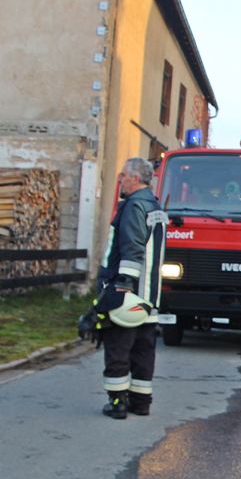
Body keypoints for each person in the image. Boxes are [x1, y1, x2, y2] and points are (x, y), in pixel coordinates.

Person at [98, 156, 168, 419]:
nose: (121, 180)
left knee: (118, 346)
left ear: (135, 178)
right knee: (143, 351)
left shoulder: (134, 206)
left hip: (128, 296)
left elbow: (132, 250)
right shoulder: (155, 206)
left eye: (123, 175)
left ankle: (117, 403)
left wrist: (121, 288)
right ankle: (141, 402)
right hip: (149, 296)